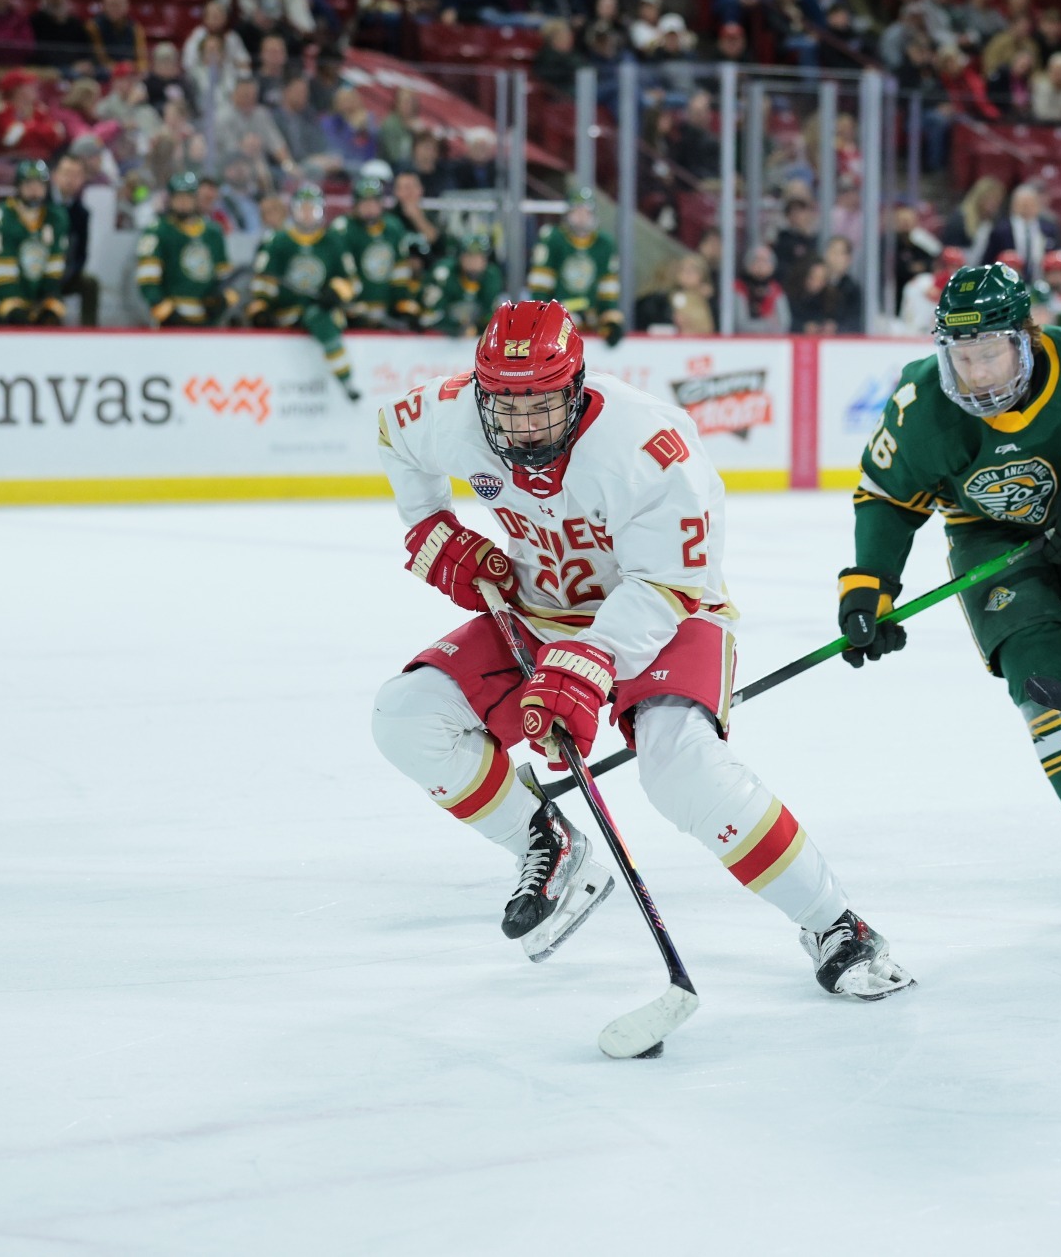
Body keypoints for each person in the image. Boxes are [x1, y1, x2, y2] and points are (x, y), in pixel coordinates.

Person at [370, 300, 916, 996]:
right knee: (405, 715)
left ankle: (837, 924)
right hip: (540, 615)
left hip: (668, 614)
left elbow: (669, 583)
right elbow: (393, 432)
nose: (523, 425)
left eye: (542, 404)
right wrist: (431, 528)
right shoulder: (450, 415)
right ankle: (544, 838)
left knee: (679, 765)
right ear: (479, 394)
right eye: (505, 406)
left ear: (577, 387)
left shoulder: (650, 445)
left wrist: (588, 660)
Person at [844, 262, 1061, 904]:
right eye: (963, 355)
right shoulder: (921, 403)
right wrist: (869, 588)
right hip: (992, 539)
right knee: (1039, 671)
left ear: (1026, 338)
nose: (976, 374)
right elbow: (886, 498)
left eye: (990, 353)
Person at [247, 184, 361, 399]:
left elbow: (352, 281)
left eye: (313, 209)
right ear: (294, 211)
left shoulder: (333, 241)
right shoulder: (278, 241)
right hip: (287, 314)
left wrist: (336, 292)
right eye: (303, 208)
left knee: (321, 318)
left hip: (320, 312)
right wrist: (260, 308)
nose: (307, 214)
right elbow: (263, 281)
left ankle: (346, 379)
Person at [526, 187, 624, 346]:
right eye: (576, 212)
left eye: (586, 212)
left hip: (592, 321)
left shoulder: (605, 244)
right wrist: (542, 320)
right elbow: (540, 289)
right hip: (556, 321)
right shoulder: (553, 240)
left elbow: (608, 291)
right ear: (568, 215)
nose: (581, 217)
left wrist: (609, 320)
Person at [136, 171, 235, 327]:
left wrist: (222, 300)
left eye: (187, 197)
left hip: (208, 319)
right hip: (172, 317)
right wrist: (163, 309)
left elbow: (224, 276)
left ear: (195, 199)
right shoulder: (157, 231)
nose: (183, 202)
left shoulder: (213, 232)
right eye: (178, 197)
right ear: (170, 199)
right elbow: (147, 278)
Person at [0, 160, 69, 327]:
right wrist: (16, 307)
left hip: (35, 299)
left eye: (39, 184)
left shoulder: (56, 218)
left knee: (55, 313)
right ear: (18, 186)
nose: (35, 189)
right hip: (0, 297)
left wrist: (47, 301)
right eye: (29, 184)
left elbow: (55, 267)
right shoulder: (1, 217)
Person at [333, 177, 423, 331]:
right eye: (364, 202)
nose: (369, 207)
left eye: (374, 202)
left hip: (386, 315)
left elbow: (400, 271)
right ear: (355, 204)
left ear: (381, 203)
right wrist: (349, 302)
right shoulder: (343, 229)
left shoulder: (393, 228)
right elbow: (341, 271)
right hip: (353, 314)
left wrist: (402, 305)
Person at [417, 232, 505, 339]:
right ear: (461, 257)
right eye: (470, 255)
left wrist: (477, 327)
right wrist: (456, 327)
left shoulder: (492, 276)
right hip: (439, 340)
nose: (474, 262)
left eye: (479, 256)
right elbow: (429, 317)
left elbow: (490, 314)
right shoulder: (443, 273)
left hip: (474, 339)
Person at [49, 153, 98, 326]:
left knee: (89, 283)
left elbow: (81, 253)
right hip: (40, 272)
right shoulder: (42, 203)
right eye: (67, 173)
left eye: (77, 175)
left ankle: (89, 332)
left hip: (65, 272)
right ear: (55, 175)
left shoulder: (81, 213)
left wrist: (68, 273)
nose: (71, 179)